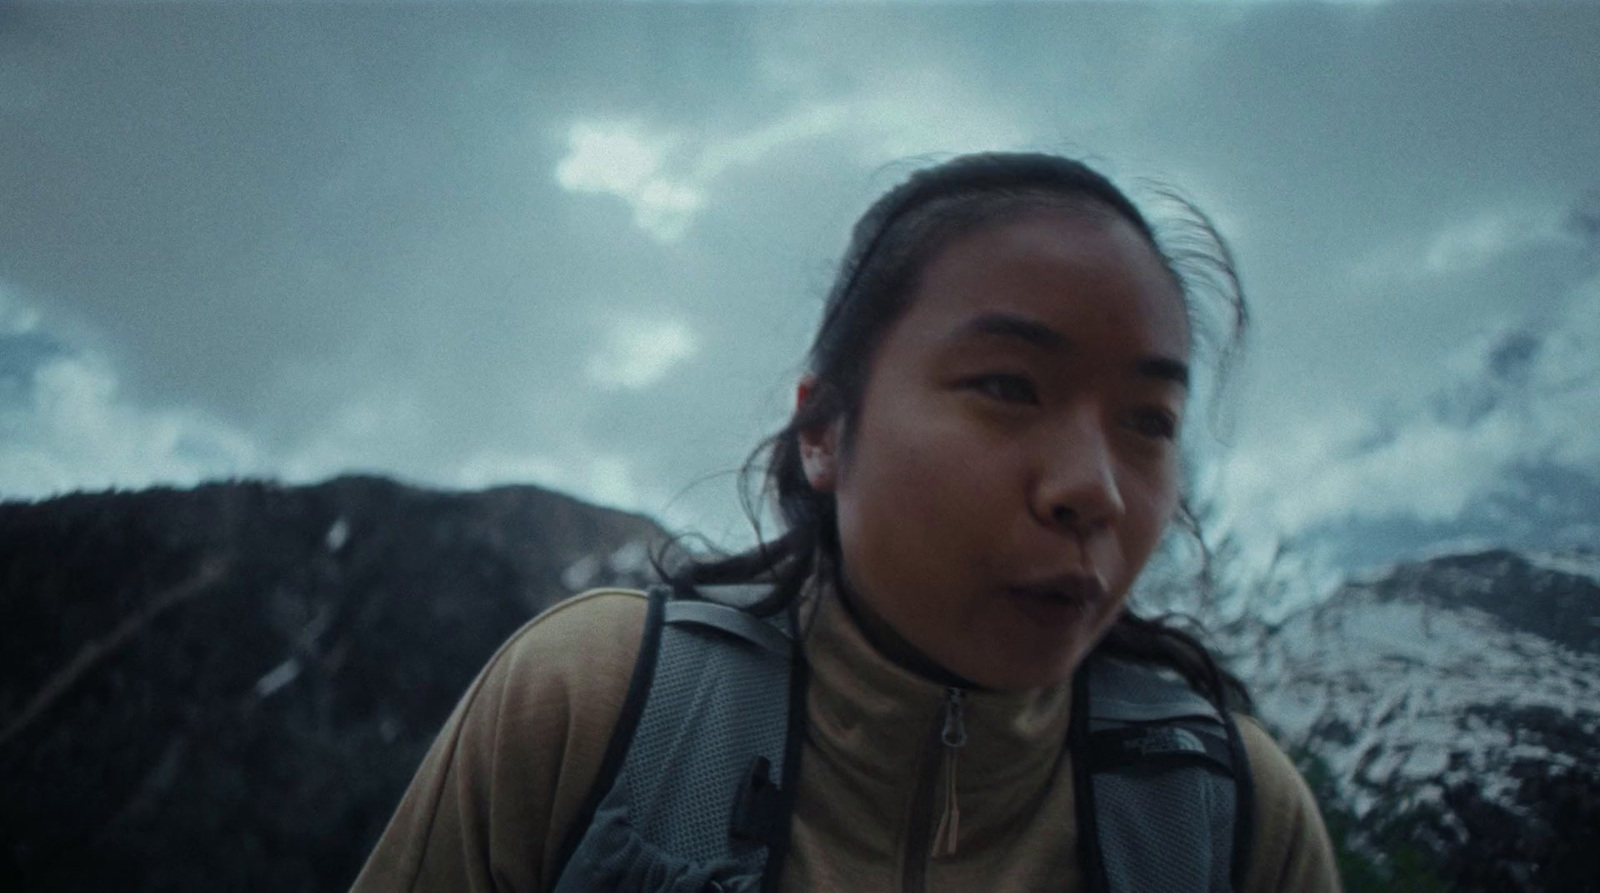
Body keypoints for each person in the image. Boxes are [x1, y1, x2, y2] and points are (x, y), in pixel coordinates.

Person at [350, 153, 1341, 892]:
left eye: (1147, 422)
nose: (1097, 488)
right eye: (1008, 384)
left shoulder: (1228, 817)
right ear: (823, 429)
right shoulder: (598, 706)